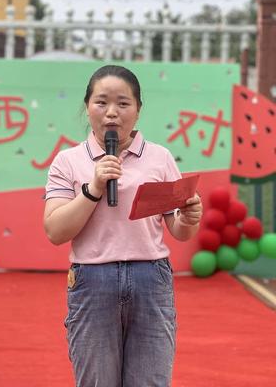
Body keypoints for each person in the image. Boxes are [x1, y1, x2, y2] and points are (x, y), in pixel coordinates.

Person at [43, 65, 202, 387]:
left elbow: (178, 230)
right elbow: (55, 231)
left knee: (150, 381)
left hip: (151, 278)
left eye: (123, 104)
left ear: (138, 111)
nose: (112, 113)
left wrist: (189, 218)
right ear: (87, 107)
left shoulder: (159, 158)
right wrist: (94, 187)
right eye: (101, 102)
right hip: (92, 279)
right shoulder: (68, 161)